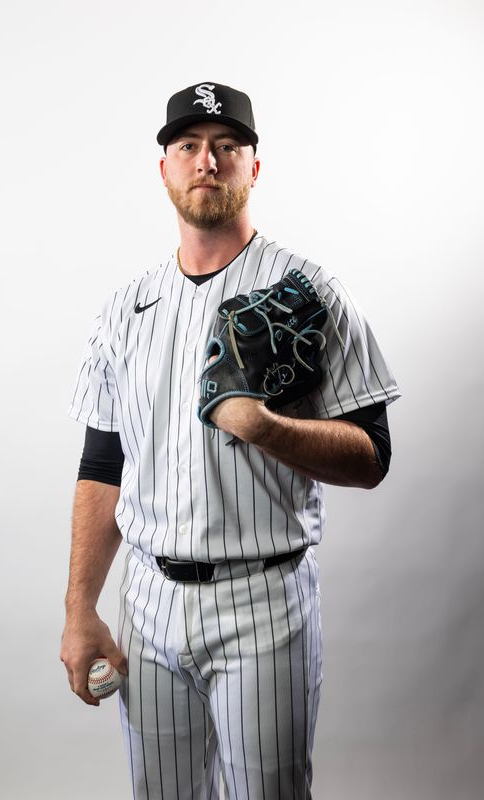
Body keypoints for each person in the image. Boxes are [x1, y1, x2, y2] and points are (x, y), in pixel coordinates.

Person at [61, 81, 400, 800]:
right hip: (148, 600)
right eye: (188, 146)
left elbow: (374, 455)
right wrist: (80, 608)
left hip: (264, 600)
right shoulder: (126, 308)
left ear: (254, 165)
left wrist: (266, 427)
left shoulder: (311, 289)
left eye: (226, 147)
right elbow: (101, 463)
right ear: (164, 169)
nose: (206, 162)